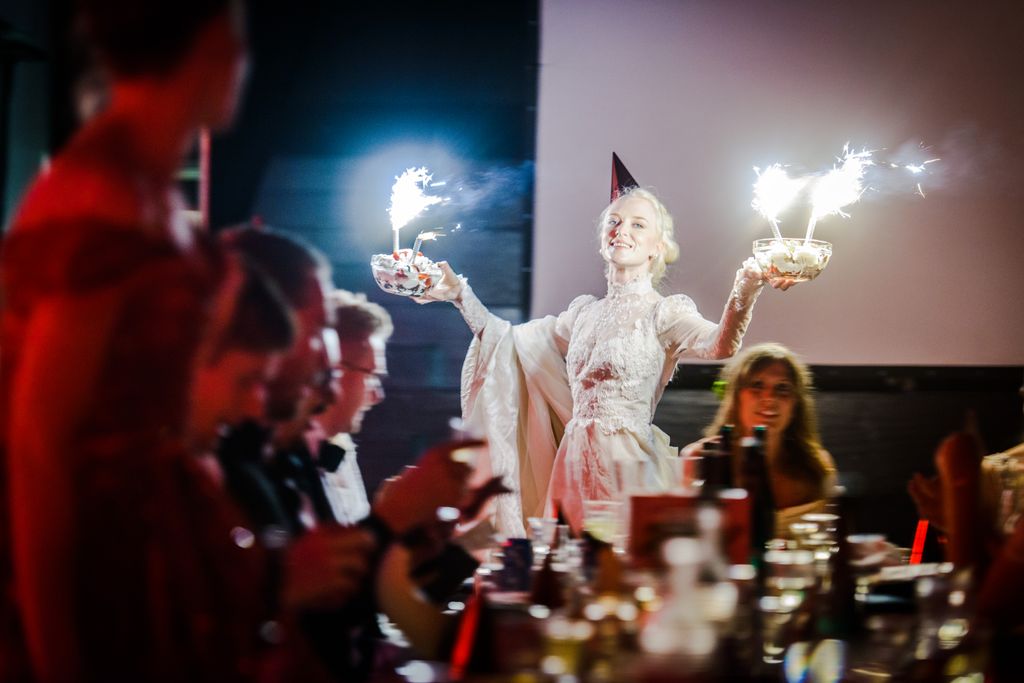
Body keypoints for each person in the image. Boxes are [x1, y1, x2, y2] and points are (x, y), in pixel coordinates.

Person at [0, 0, 260, 679]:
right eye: (237, 42)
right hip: (95, 546)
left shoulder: (147, 188)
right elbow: (36, 441)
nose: (244, 63)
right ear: (211, 46)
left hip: (153, 531)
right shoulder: (97, 190)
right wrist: (57, 655)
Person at [417, 175, 791, 534]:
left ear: (657, 247)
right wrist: (459, 294)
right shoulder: (582, 313)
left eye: (638, 224)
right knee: (568, 568)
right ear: (601, 240)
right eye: (614, 221)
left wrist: (748, 285)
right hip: (572, 467)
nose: (622, 230)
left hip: (628, 468)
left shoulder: (665, 312)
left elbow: (720, 344)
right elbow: (508, 342)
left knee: (622, 566)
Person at [683, 342, 838, 533]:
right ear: (735, 397)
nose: (769, 398)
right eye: (757, 385)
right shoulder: (699, 459)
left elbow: (830, 537)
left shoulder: (818, 466)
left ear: (796, 404)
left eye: (782, 387)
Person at [316, 289, 392, 524]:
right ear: (334, 370)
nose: (377, 396)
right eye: (370, 375)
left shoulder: (341, 447)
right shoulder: (278, 460)